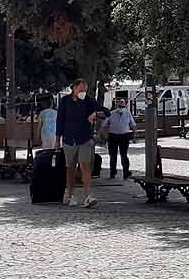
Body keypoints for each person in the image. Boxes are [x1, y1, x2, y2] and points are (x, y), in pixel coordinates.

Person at [57, 79, 108, 208]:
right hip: (69, 139)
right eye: (80, 90)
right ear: (73, 88)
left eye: (85, 90)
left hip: (85, 139)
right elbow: (60, 120)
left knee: (85, 167)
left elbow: (106, 112)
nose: (83, 93)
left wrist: (95, 114)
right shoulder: (65, 101)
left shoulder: (89, 100)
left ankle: (87, 196)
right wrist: (57, 140)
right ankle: (70, 196)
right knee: (70, 169)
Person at [105, 95, 136, 179]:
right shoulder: (111, 113)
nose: (120, 105)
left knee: (124, 155)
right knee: (113, 155)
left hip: (124, 136)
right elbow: (104, 125)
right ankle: (112, 172)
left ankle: (126, 172)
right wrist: (105, 136)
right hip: (112, 136)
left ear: (125, 104)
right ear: (116, 105)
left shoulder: (127, 113)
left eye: (122, 103)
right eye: (119, 103)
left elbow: (133, 124)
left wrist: (134, 135)